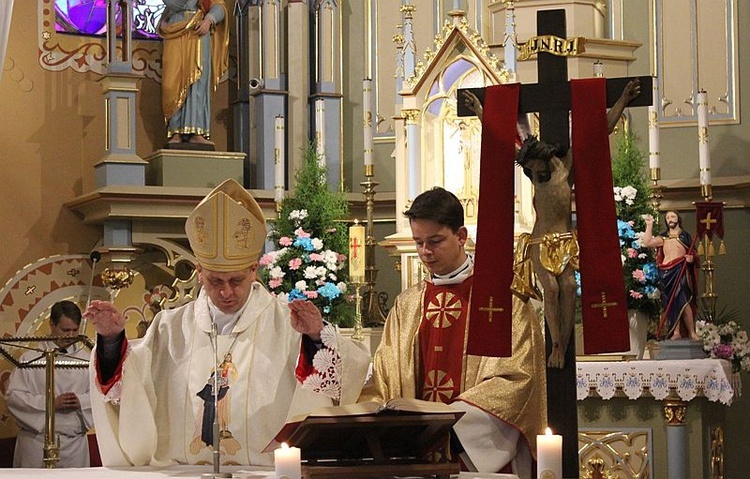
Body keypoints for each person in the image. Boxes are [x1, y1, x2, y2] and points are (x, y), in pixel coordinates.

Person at [83, 179, 370, 467]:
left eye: (236, 280)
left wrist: (316, 337)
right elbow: (132, 383)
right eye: (215, 281)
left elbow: (343, 377)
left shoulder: (288, 325)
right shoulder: (170, 328)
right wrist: (111, 339)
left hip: (264, 472)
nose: (226, 292)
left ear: (253, 270)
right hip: (184, 473)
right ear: (199, 272)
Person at [359, 187, 546, 478]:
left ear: (461, 236)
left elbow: (518, 379)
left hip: (472, 454)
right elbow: (384, 377)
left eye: (435, 241)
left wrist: (453, 429)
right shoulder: (407, 304)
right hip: (414, 456)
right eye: (419, 242)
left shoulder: (502, 300)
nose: (425, 252)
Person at [463, 79, 641, 368]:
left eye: (534, 166)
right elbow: (502, 140)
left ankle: (563, 343)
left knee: (569, 287)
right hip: (538, 241)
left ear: (545, 159)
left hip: (564, 241)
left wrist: (621, 101)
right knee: (552, 290)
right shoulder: (536, 175)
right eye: (529, 168)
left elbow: (599, 131)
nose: (532, 172)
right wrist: (482, 112)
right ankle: (555, 343)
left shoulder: (566, 168)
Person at [6, 300, 93, 468]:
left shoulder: (87, 359)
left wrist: (81, 401)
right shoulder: (30, 359)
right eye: (65, 330)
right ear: (52, 325)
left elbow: (101, 395)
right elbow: (13, 397)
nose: (70, 335)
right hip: (36, 442)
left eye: (75, 330)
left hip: (74, 444)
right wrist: (51, 403)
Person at [158, 0, 229, 146]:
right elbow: (170, 6)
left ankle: (197, 131)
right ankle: (175, 130)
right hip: (174, 29)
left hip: (198, 29)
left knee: (198, 80)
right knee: (172, 82)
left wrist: (209, 20)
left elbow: (219, 5)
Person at [642, 211, 699, 340]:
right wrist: (649, 225)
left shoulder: (685, 236)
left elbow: (694, 254)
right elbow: (647, 242)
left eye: (672, 216)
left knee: (684, 301)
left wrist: (691, 258)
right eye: (667, 217)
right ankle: (676, 332)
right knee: (671, 303)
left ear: (678, 218)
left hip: (680, 270)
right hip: (666, 272)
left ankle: (691, 332)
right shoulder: (664, 237)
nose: (670, 219)